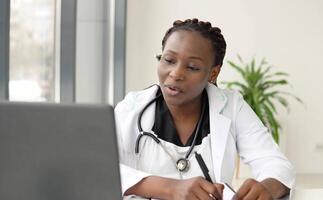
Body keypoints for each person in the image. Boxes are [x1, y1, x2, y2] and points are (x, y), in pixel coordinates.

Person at [115, 18, 294, 200]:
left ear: (213, 73)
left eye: (192, 67)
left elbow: (275, 163)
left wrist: (267, 188)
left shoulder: (231, 106)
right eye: (169, 60)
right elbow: (98, 169)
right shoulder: (131, 107)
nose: (176, 73)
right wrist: (170, 188)